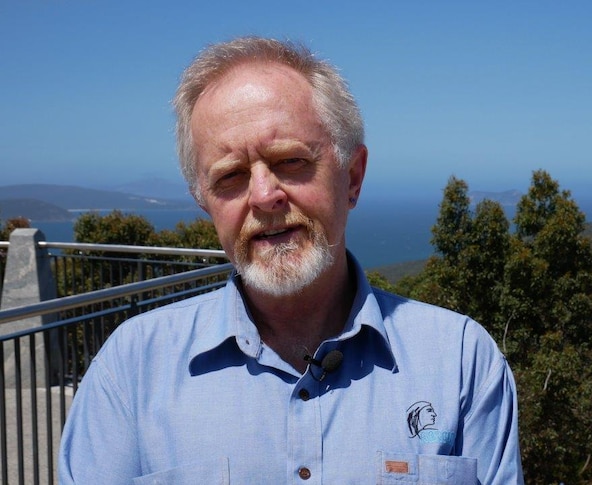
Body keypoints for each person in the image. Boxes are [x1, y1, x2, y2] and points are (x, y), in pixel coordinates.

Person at [58, 36, 523, 484]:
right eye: (230, 176)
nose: (264, 196)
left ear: (353, 178)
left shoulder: (461, 363)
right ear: (204, 201)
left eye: (291, 162)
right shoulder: (132, 371)